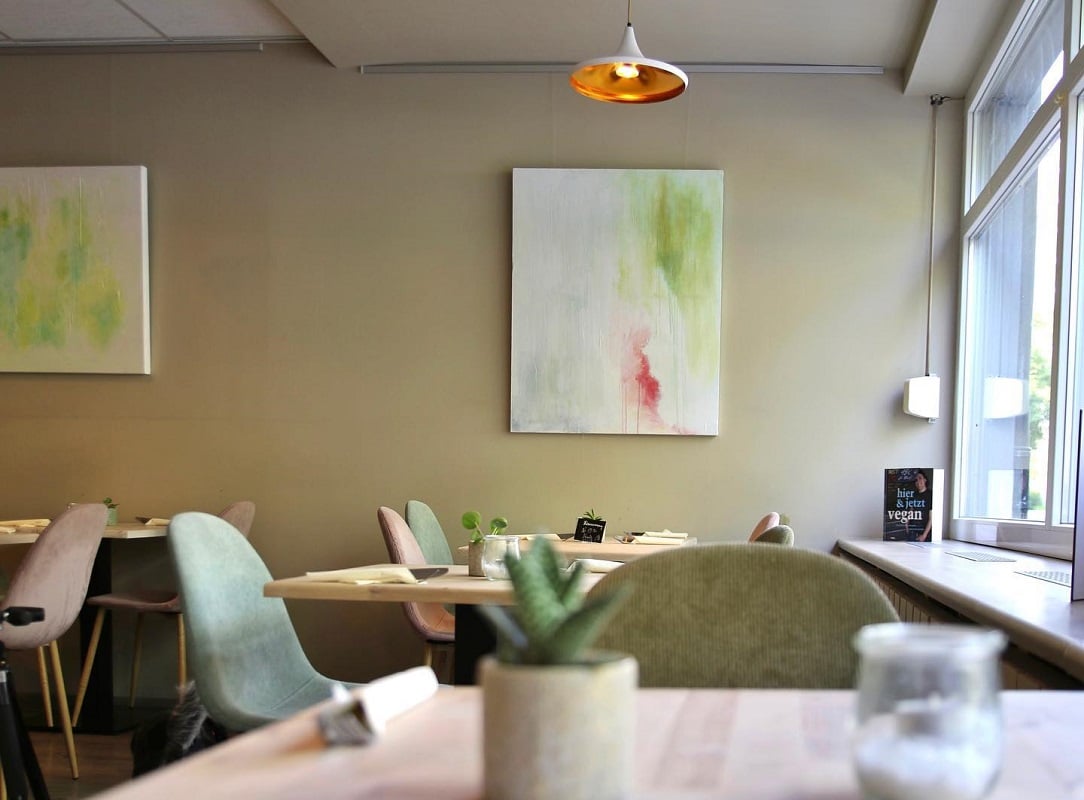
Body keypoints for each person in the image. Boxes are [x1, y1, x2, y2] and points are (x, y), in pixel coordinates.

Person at [913, 470, 933, 542]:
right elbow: (911, 509)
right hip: (914, 531)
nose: (918, 481)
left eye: (920, 478)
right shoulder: (914, 494)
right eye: (916, 480)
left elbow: (932, 518)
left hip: (926, 533)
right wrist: (907, 522)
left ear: (925, 480)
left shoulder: (931, 495)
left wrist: (924, 535)